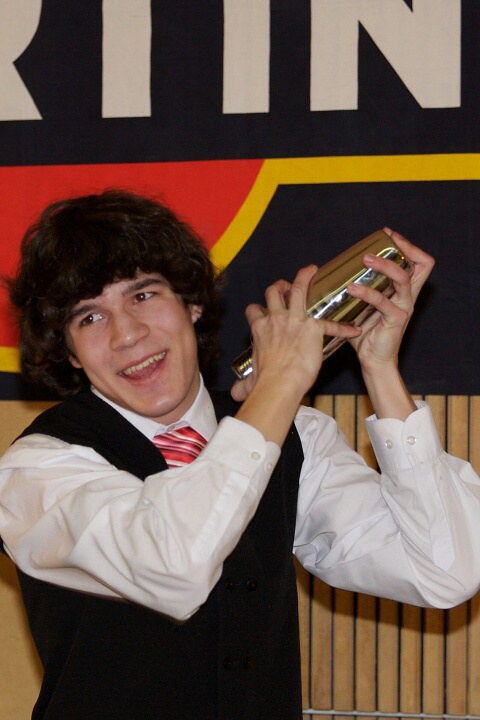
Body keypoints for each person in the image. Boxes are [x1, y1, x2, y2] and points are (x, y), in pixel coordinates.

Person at [0, 189, 480, 720]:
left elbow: (445, 572)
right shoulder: (37, 470)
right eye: (89, 318)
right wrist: (281, 384)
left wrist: (380, 368)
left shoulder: (295, 435)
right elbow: (175, 565)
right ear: (68, 352)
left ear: (192, 303)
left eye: (143, 295)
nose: (127, 335)